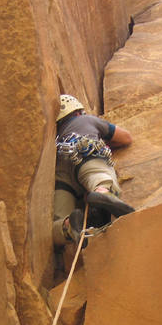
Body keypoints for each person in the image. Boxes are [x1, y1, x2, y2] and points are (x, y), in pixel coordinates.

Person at [52, 94, 134, 246]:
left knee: (58, 217)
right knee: (98, 174)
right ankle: (102, 192)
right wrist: (103, 142)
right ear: (77, 112)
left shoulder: (56, 136)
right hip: (84, 153)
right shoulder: (86, 120)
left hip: (61, 172)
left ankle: (67, 226)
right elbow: (126, 138)